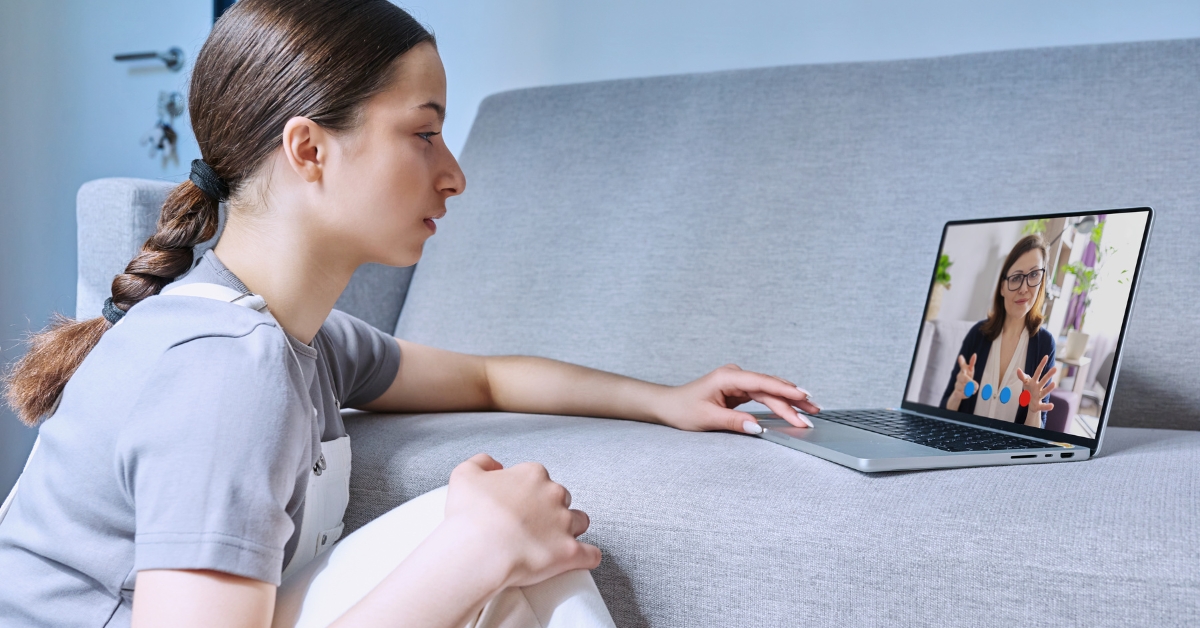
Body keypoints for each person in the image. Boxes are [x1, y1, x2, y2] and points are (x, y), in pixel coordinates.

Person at [0, 1, 820, 626]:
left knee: (523, 550)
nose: (454, 173)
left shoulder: (297, 339)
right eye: (422, 135)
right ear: (309, 150)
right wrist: (472, 556)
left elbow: (490, 379)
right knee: (501, 550)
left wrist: (667, 399)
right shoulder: (223, 371)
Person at [940, 235, 1058, 428]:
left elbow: (1035, 441)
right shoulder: (976, 335)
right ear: (1002, 286)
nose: (1024, 288)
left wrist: (1034, 410)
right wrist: (957, 395)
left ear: (1042, 281)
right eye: (1016, 277)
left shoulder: (1044, 344)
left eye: (1034, 275)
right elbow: (943, 413)